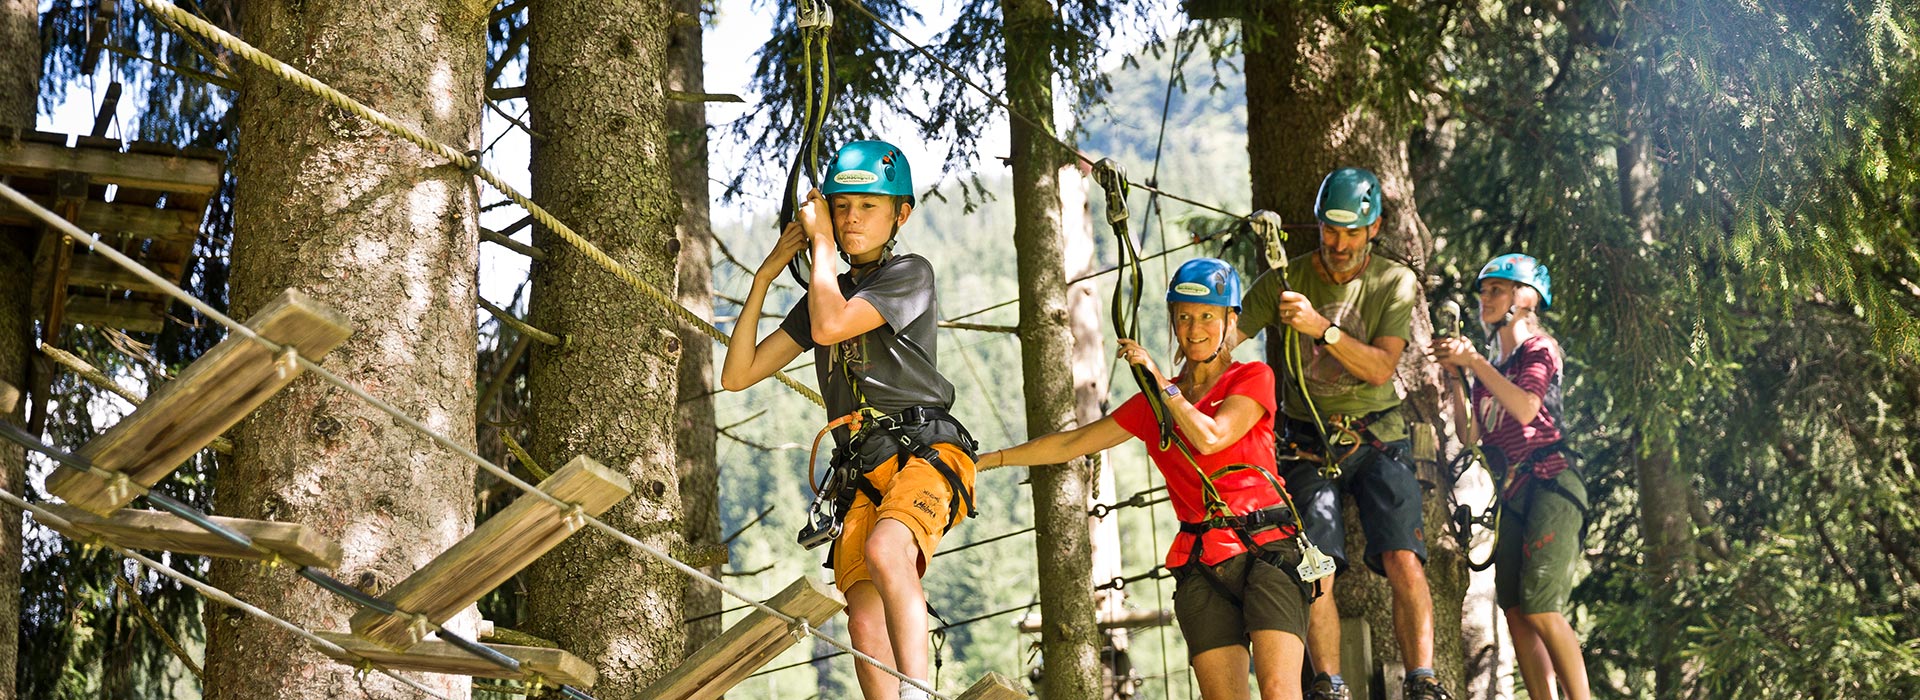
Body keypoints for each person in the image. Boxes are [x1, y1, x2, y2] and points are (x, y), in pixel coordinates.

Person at [981, 258, 1315, 700]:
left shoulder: (1251, 377)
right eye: (1184, 317)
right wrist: (987, 460)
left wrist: (1161, 382)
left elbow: (1212, 438)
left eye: (1208, 317)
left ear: (1231, 319)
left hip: (1268, 548)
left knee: (1278, 691)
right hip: (1202, 560)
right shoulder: (1152, 407)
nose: (1195, 329)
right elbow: (1069, 444)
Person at [720, 140, 978, 700]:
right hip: (862, 464)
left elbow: (834, 325)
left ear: (899, 215)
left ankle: (917, 694)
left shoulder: (909, 274)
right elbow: (737, 374)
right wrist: (765, 276)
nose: (852, 219)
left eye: (868, 207)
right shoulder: (822, 299)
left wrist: (819, 244)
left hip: (923, 448)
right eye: (842, 208)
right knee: (861, 614)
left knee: (889, 552)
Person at [1234, 167, 1454, 700]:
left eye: (1352, 232)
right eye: (1331, 231)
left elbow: (1381, 368)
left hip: (1379, 436)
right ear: (1318, 227)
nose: (1340, 243)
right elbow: (1224, 341)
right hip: (1307, 441)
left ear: (1373, 227)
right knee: (1318, 568)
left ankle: (1422, 679)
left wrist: (1320, 329)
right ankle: (1328, 684)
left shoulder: (1393, 282)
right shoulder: (1285, 281)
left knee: (1404, 556)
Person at [1430, 254, 1589, 700]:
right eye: (1483, 292)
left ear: (1526, 299)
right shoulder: (1490, 370)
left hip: (1551, 481)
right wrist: (1461, 379)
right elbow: (1471, 434)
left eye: (1496, 290)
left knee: (1539, 604)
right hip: (1514, 492)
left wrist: (1475, 363)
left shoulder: (1539, 348)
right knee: (1516, 611)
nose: (1485, 299)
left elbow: (1525, 409)